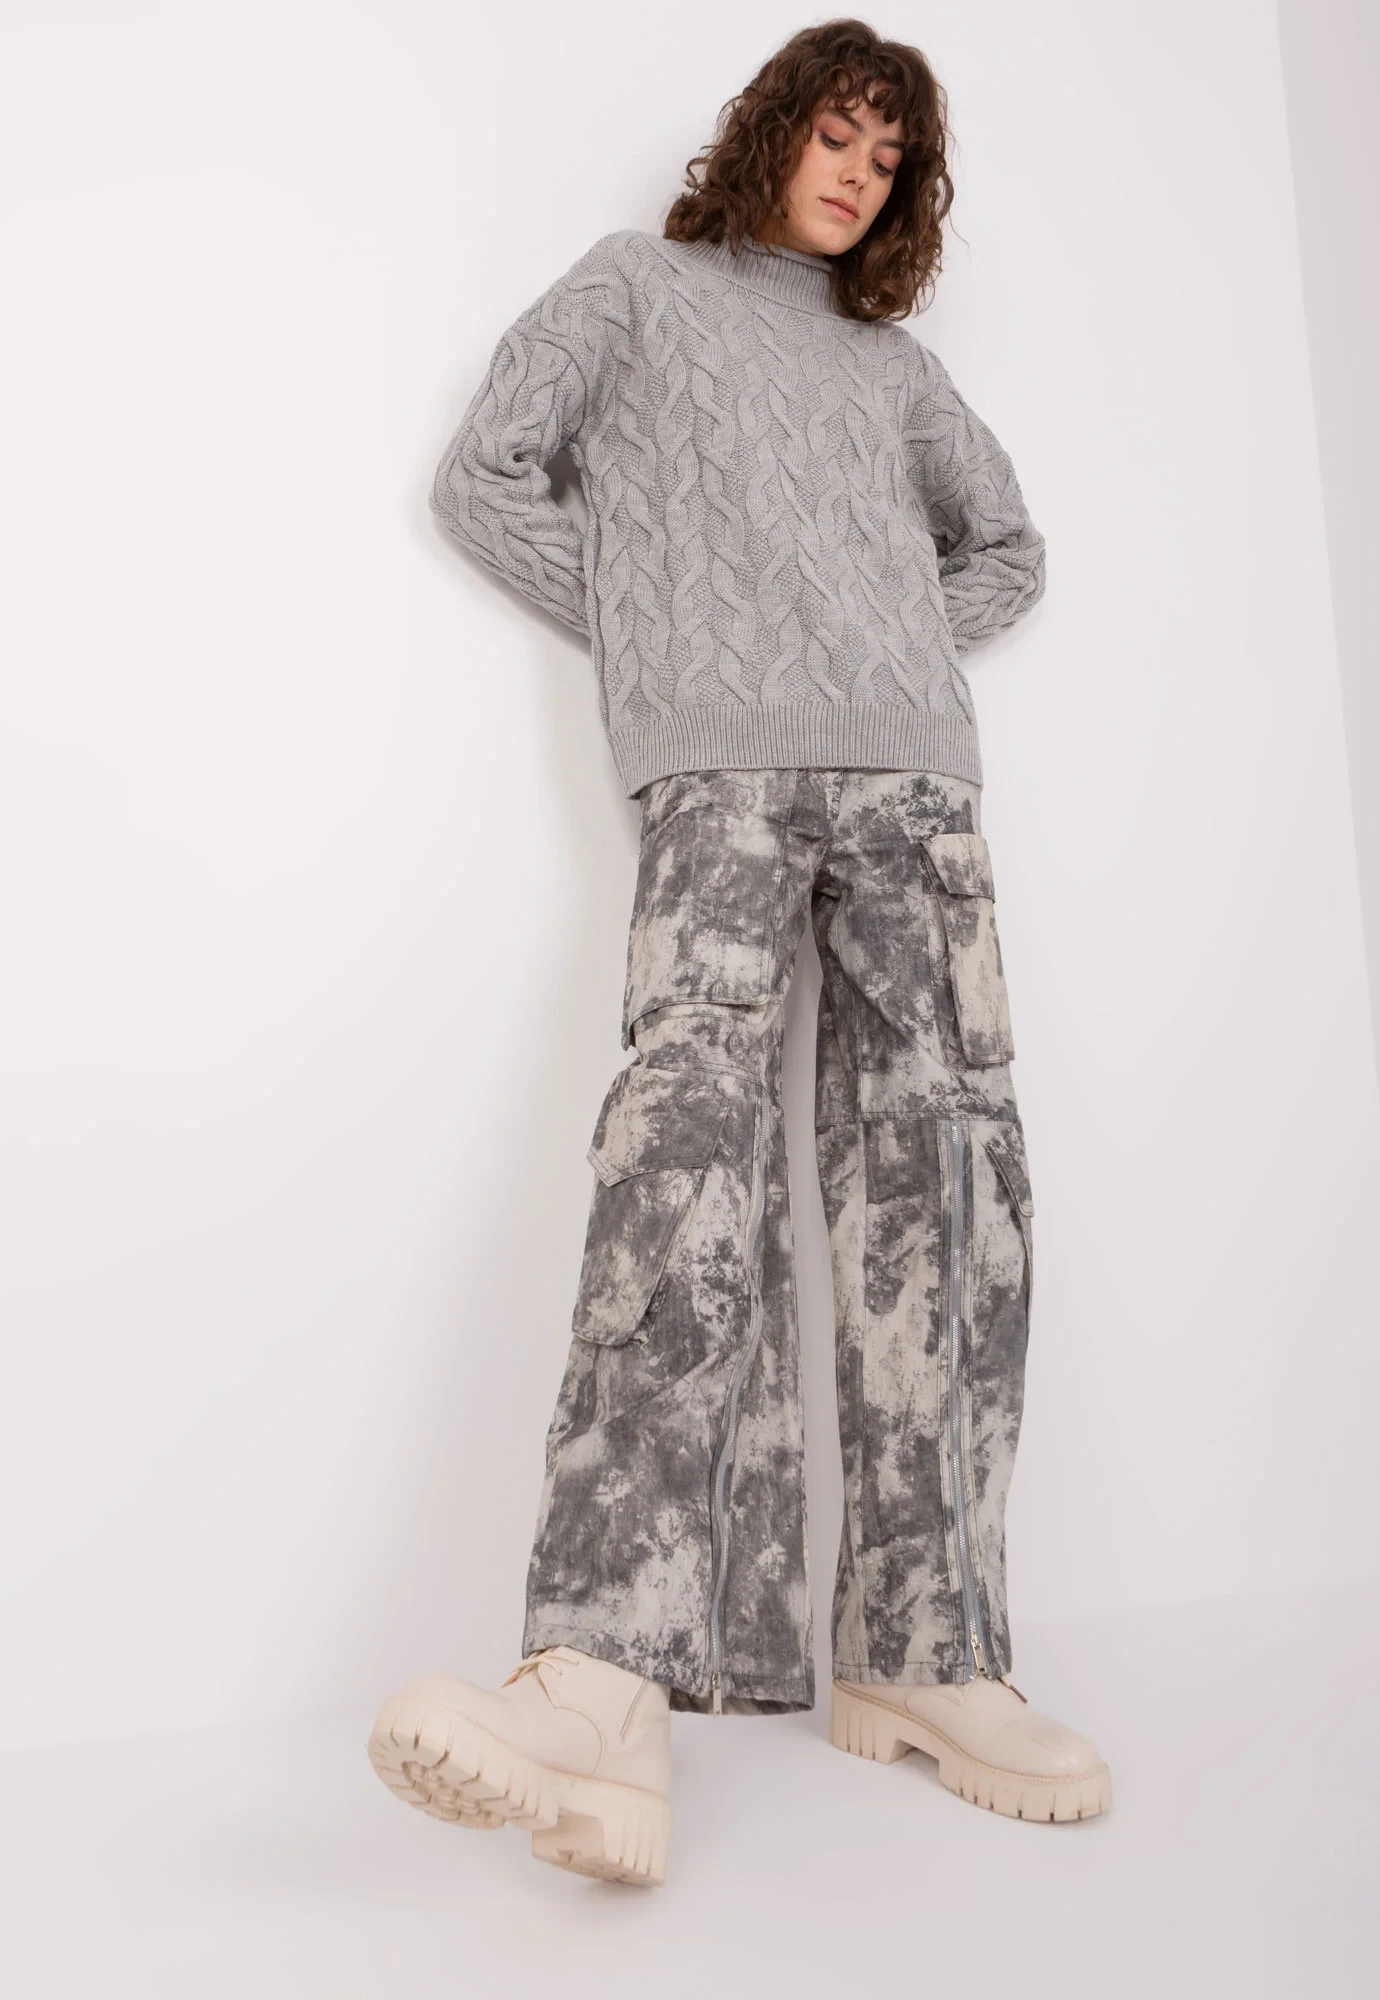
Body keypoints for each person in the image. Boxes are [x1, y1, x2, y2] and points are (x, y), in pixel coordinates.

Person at [366, 18, 1111, 1887]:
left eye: (892, 158)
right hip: (716, 781)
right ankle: (604, 1681)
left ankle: (930, 1654)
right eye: (840, 135)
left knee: (949, 1194)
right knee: (681, 1174)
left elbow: (1009, 548)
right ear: (774, 129)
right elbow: (485, 476)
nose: (859, 175)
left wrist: (882, 641)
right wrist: (673, 636)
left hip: (915, 790)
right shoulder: (634, 290)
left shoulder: (896, 367)